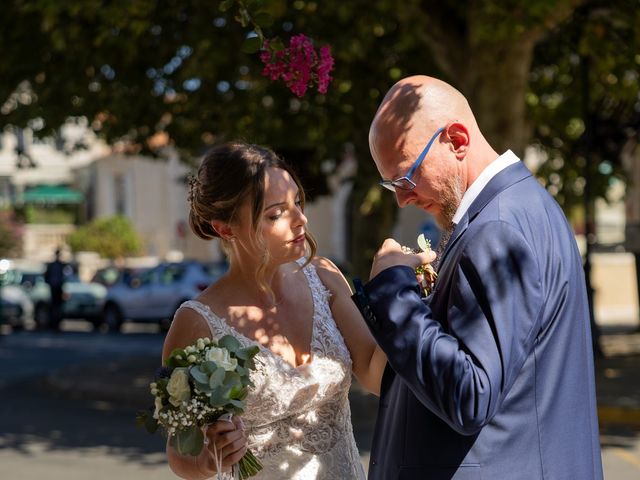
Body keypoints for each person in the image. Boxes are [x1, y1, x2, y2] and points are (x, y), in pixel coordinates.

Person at [351, 75, 603, 479]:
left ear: (456, 139)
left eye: (406, 176)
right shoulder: (519, 208)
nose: (402, 198)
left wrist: (394, 291)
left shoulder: (497, 229)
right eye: (390, 184)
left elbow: (470, 394)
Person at [163, 142, 385, 479]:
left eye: (297, 202)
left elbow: (375, 374)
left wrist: (404, 302)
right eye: (276, 213)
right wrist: (211, 457)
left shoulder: (325, 278)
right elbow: (180, 453)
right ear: (225, 228)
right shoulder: (197, 322)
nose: (300, 219)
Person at [43, 248, 67, 331]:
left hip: (56, 287)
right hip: (55, 287)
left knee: (57, 307)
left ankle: (56, 323)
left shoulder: (58, 265)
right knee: (55, 307)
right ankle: (54, 323)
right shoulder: (57, 265)